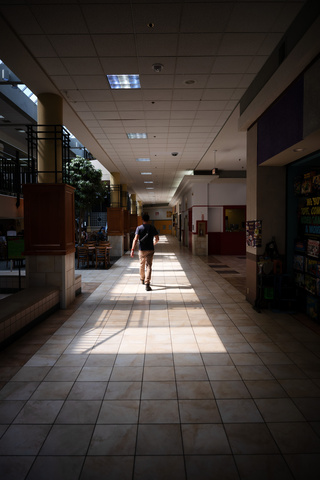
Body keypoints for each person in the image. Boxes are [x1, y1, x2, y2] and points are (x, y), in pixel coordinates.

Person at [131, 213, 159, 291]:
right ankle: (147, 283)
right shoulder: (152, 227)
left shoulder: (139, 228)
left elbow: (135, 239)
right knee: (149, 266)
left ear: (142, 220)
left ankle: (142, 279)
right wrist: (153, 244)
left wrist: (132, 249)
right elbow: (157, 239)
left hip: (142, 249)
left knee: (141, 264)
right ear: (148, 219)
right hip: (150, 249)